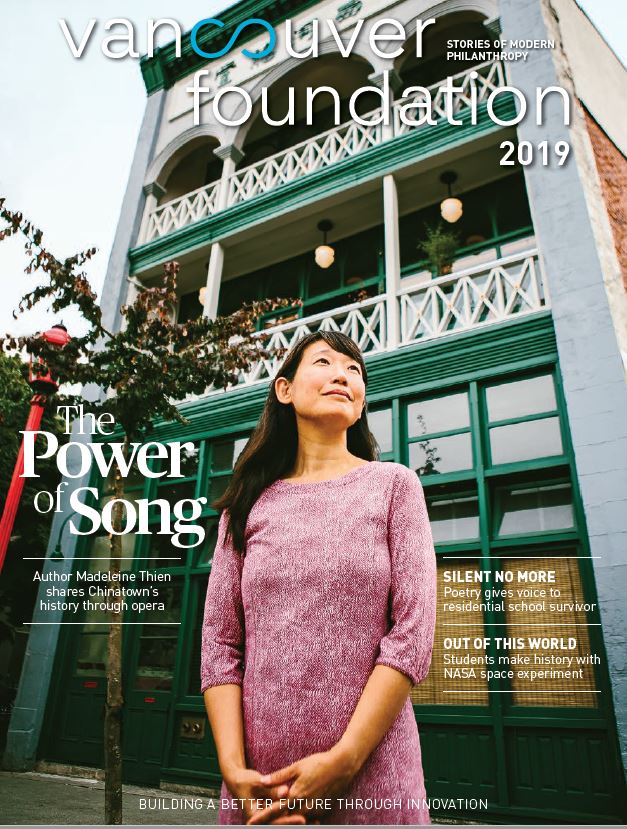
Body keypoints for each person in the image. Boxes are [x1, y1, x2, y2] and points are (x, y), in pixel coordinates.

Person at [200, 330, 437, 825]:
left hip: (374, 781)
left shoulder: (394, 486)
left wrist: (345, 761)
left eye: (355, 370)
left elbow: (412, 636)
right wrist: (233, 770)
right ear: (284, 389)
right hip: (260, 790)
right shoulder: (245, 507)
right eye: (326, 362)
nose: (343, 375)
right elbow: (220, 648)